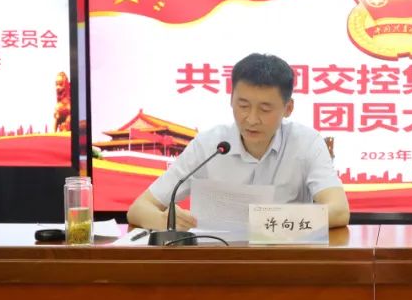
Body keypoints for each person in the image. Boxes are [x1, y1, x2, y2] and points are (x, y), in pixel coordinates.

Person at [127, 52, 350, 229]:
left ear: (288, 108)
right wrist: (164, 221)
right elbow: (139, 209)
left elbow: (339, 211)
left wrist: (267, 222)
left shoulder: (306, 142)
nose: (251, 119)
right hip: (219, 260)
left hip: (284, 259)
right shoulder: (209, 145)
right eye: (243, 106)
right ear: (231, 100)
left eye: (265, 109)